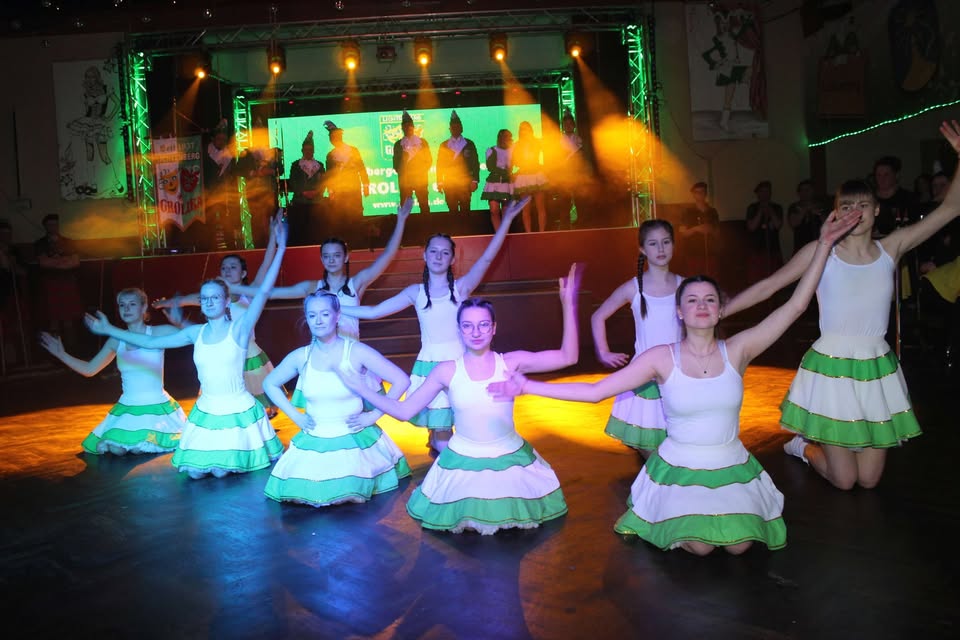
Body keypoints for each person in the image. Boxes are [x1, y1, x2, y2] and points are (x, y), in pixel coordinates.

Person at [490, 210, 861, 554]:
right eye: (693, 301)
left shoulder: (738, 349)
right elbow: (595, 392)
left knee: (739, 546)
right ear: (679, 312)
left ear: (720, 310)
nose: (701, 306)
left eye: (710, 300)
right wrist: (528, 386)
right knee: (701, 547)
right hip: (681, 465)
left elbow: (795, 306)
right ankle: (664, 504)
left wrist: (824, 244)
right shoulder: (661, 358)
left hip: (728, 462)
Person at [724, 120, 960, 491]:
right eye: (846, 205)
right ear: (835, 213)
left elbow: (951, 208)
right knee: (846, 480)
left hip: (875, 366)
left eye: (863, 205)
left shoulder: (891, 248)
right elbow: (771, 285)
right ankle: (803, 447)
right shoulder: (822, 252)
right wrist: (722, 311)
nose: (855, 211)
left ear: (876, 210)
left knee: (869, 480)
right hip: (831, 367)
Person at [339, 265, 581, 534]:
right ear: (459, 330)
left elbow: (568, 357)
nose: (476, 332)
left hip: (508, 454)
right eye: (468, 326)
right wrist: (363, 390)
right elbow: (405, 411)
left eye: (483, 325)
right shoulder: (446, 370)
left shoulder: (511, 362)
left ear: (494, 328)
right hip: (463, 458)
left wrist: (568, 305)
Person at [85, 216, 290, 479]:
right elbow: (149, 342)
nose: (209, 302)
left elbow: (262, 291)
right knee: (194, 472)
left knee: (219, 471)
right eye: (204, 299)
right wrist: (108, 330)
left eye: (215, 298)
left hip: (236, 410)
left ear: (226, 301)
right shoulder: (195, 333)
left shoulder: (239, 329)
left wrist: (281, 247)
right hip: (207, 411)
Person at [338, 197, 529, 452]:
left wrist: (505, 221)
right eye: (433, 251)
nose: (439, 256)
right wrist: (337, 308)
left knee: (461, 425)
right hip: (429, 365)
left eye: (445, 252)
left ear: (453, 259)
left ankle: (451, 455)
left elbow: (486, 259)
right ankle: (447, 457)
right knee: (441, 432)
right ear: (424, 255)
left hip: (460, 364)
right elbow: (374, 312)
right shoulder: (415, 292)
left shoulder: (461, 288)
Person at [262, 292, 411, 506]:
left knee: (348, 495)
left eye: (325, 314)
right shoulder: (301, 356)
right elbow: (269, 383)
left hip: (353, 438)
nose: (318, 320)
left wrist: (373, 416)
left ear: (337, 315)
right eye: (312, 315)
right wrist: (296, 417)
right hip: (315, 437)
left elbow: (401, 380)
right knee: (300, 495)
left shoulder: (356, 351)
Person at [153, 227, 286, 417]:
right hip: (223, 353)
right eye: (224, 268)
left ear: (243, 273)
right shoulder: (213, 297)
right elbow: (184, 300)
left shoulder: (250, 293)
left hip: (248, 353)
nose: (227, 270)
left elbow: (266, 263)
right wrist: (163, 303)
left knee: (253, 404)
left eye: (233, 267)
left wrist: (273, 235)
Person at [40, 288, 187, 455]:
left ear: (144, 307)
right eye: (122, 305)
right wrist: (62, 354)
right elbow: (89, 369)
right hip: (128, 407)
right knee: (115, 448)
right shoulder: (116, 340)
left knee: (136, 447)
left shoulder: (159, 332)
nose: (126, 308)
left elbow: (190, 336)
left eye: (132, 304)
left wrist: (179, 321)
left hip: (156, 408)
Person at [591, 220, 682, 454]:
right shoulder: (633, 288)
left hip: (679, 374)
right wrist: (603, 352)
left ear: (673, 245)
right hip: (645, 375)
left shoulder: (684, 286)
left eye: (666, 242)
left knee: (680, 444)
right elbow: (598, 316)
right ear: (642, 249)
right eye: (653, 244)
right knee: (651, 450)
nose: (660, 249)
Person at [65, 65, 124, 198]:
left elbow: (117, 103)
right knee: (90, 154)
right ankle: (93, 184)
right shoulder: (85, 92)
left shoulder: (106, 89)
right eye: (88, 77)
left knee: (104, 155)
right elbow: (87, 110)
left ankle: (116, 181)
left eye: (92, 77)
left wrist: (109, 117)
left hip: (100, 124)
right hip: (89, 123)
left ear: (96, 77)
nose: (90, 79)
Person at [33, 213, 83, 348]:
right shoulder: (40, 244)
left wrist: (55, 262)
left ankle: (71, 350)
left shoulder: (69, 242)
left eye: (55, 224)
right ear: (45, 226)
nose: (53, 227)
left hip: (67, 282)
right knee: (53, 319)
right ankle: (55, 350)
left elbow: (75, 262)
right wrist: (64, 261)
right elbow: (44, 263)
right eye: (50, 225)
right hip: (50, 284)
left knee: (69, 318)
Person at [323, 120, 371, 235]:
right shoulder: (330, 155)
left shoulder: (352, 150)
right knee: (340, 218)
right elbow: (329, 175)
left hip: (353, 188)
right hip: (339, 191)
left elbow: (361, 167)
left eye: (334, 137)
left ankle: (358, 240)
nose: (332, 140)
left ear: (339, 137)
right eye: (331, 138)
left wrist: (366, 185)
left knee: (356, 216)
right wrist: (331, 192)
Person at [203, 119, 239, 250]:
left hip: (225, 194)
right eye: (219, 139)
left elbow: (232, 174)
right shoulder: (206, 153)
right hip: (209, 194)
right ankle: (210, 248)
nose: (222, 142)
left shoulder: (229, 154)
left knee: (227, 222)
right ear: (213, 139)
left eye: (224, 139)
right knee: (210, 223)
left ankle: (231, 247)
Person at [436, 111, 480, 214]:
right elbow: (440, 165)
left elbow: (475, 163)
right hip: (449, 182)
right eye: (453, 127)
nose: (455, 129)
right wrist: (439, 182)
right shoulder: (444, 145)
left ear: (461, 128)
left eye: (457, 126)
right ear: (450, 129)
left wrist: (475, 180)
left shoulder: (469, 144)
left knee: (465, 210)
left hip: (465, 182)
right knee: (452, 211)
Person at [286, 131, 324, 246]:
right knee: (301, 230)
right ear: (302, 150)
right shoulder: (296, 165)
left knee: (316, 229)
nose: (308, 151)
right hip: (300, 202)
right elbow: (293, 182)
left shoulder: (320, 165)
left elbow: (324, 182)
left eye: (310, 149)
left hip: (316, 202)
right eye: (306, 149)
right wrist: (303, 192)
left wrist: (317, 192)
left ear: (313, 150)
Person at [393, 110, 432, 214]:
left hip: (420, 180)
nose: (408, 128)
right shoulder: (398, 145)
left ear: (413, 127)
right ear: (402, 128)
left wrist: (420, 172)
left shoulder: (422, 142)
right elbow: (396, 165)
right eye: (405, 126)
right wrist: (405, 172)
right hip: (405, 181)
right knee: (405, 208)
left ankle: (427, 224)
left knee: (424, 206)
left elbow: (429, 160)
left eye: (410, 126)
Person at [678, 182, 720, 275]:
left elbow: (718, 234)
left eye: (702, 192)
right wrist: (696, 229)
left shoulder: (712, 211)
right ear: (693, 194)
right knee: (694, 279)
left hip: (710, 253)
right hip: (693, 253)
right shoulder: (687, 212)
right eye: (697, 192)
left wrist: (711, 230)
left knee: (710, 278)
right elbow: (683, 234)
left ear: (706, 194)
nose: (700, 194)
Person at [745, 180, 784, 281]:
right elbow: (751, 227)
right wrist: (761, 210)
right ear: (757, 194)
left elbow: (778, 225)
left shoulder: (777, 207)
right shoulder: (752, 208)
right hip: (757, 249)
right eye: (762, 191)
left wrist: (770, 210)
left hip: (773, 249)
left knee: (774, 279)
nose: (765, 194)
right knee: (757, 279)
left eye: (767, 191)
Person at [513, 121, 548, 232]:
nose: (525, 131)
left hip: (536, 175)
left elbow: (548, 155)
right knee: (526, 209)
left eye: (527, 129)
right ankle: (528, 233)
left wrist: (543, 167)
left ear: (531, 130)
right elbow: (514, 161)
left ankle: (542, 232)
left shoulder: (537, 142)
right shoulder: (517, 145)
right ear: (520, 131)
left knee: (540, 206)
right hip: (524, 177)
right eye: (522, 129)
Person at [873, 155, 918, 236]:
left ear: (896, 175)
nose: (882, 179)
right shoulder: (870, 199)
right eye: (878, 175)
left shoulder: (908, 198)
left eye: (886, 175)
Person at [481, 129, 515, 232]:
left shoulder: (511, 151)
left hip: (506, 183)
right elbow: (490, 167)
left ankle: (504, 233)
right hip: (494, 182)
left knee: (505, 210)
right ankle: (498, 233)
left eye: (509, 138)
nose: (507, 140)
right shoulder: (492, 150)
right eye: (505, 137)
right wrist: (502, 171)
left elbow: (511, 167)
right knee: (494, 210)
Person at [787, 179, 828, 252]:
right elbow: (793, 224)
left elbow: (827, 223)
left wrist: (818, 214)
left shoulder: (820, 205)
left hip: (818, 245)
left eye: (807, 190)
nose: (805, 193)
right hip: (800, 246)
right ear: (798, 193)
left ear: (813, 191)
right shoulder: (794, 207)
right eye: (802, 190)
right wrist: (805, 210)